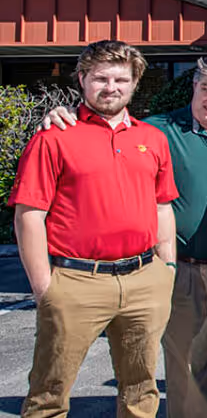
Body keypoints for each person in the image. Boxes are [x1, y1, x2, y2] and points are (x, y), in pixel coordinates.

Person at [40, 52, 207, 418]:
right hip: (186, 269)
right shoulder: (158, 130)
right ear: (194, 85)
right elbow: (107, 126)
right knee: (186, 370)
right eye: (206, 88)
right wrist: (61, 113)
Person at [10, 40, 178, 417]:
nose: (111, 87)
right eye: (101, 78)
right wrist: (44, 289)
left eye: (121, 79)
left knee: (140, 390)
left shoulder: (151, 139)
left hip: (143, 279)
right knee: (49, 394)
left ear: (135, 83)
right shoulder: (53, 137)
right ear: (83, 79)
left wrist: (166, 269)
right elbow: (29, 216)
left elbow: (162, 205)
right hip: (76, 279)